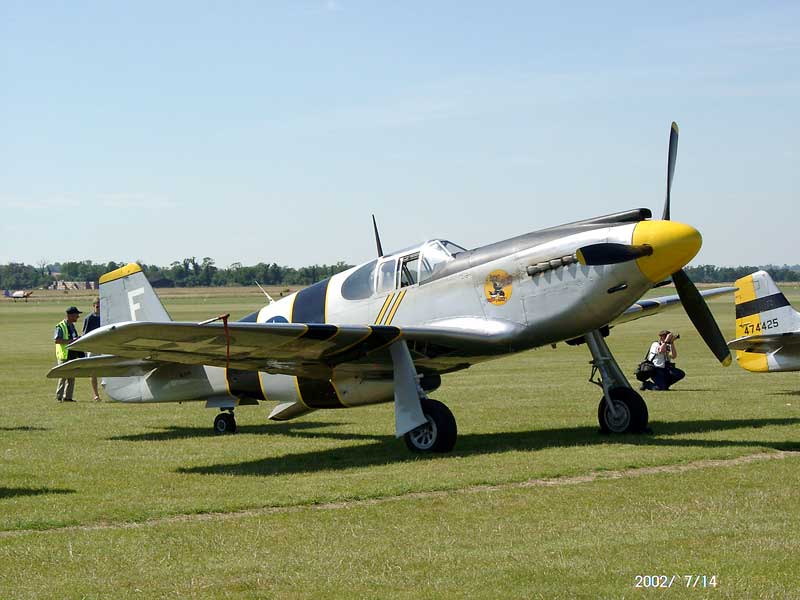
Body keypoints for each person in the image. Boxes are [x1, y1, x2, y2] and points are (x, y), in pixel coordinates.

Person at [54, 306, 82, 402]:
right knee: (63, 376)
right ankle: (59, 396)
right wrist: (71, 341)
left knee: (71, 377)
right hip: (64, 355)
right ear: (70, 315)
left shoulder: (72, 326)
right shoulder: (60, 326)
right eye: (76, 314)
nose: (78, 316)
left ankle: (68, 397)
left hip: (72, 354)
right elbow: (57, 340)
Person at [83, 298, 102, 401]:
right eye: (97, 306)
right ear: (93, 306)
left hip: (104, 347)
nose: (98, 308)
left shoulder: (105, 317)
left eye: (100, 306)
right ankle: (96, 394)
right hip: (93, 347)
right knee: (93, 372)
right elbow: (85, 335)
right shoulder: (89, 318)